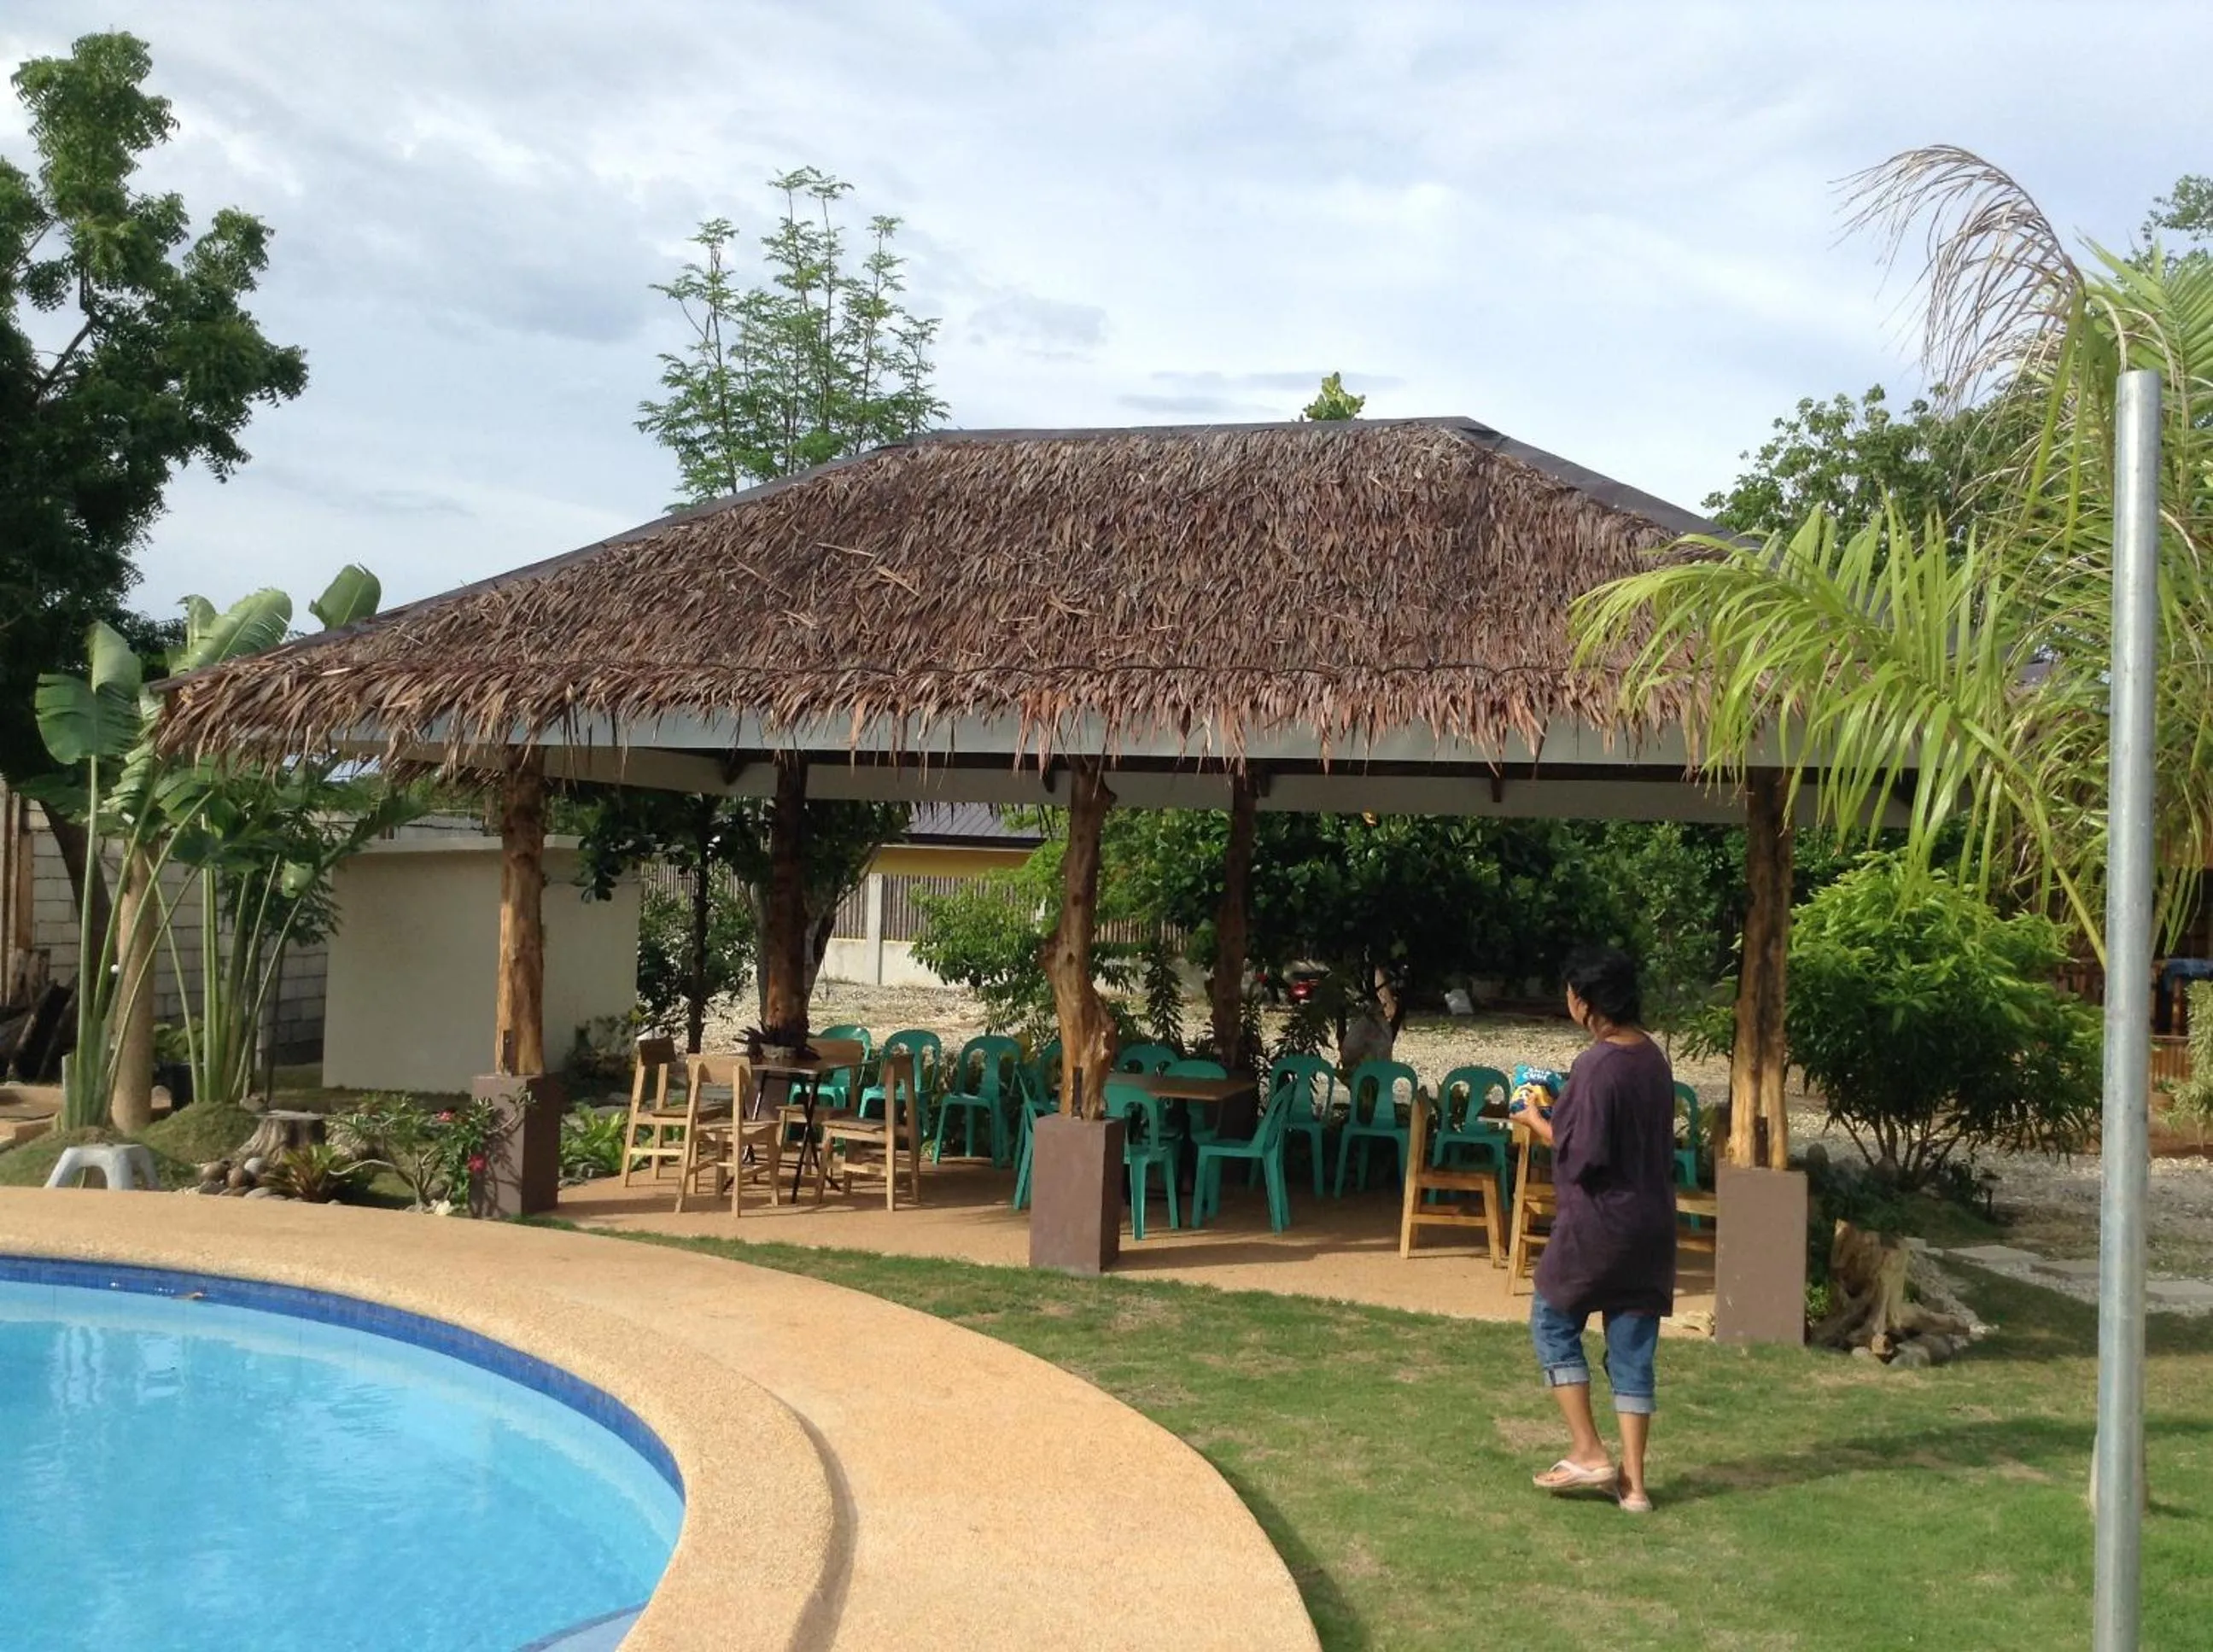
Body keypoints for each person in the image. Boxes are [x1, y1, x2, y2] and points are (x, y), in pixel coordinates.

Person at [1518, 945, 1679, 1514]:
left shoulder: (1596, 1064)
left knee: (1551, 1318)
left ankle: (1587, 1449)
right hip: (1652, 1225)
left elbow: (1580, 1153)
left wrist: (1536, 1119)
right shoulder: (1653, 1058)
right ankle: (1634, 1486)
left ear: (1585, 1002)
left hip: (1600, 1226)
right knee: (1633, 1350)